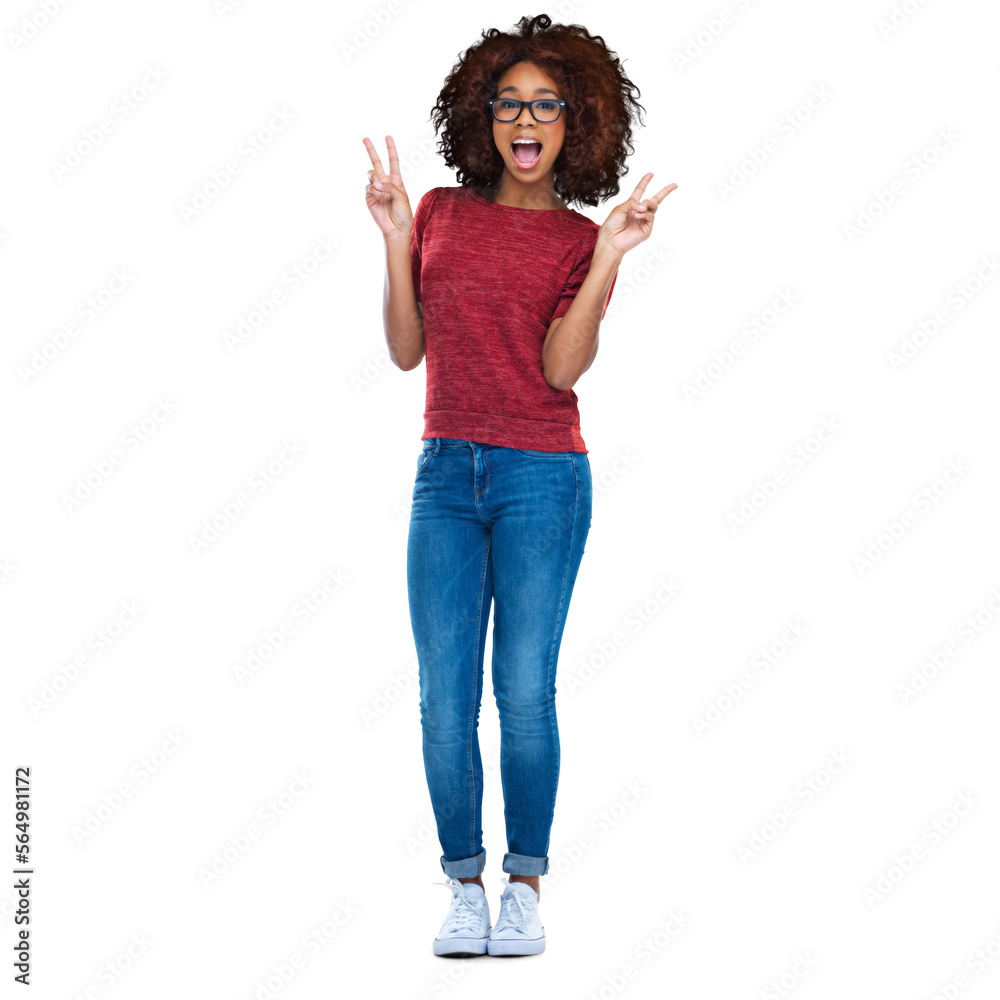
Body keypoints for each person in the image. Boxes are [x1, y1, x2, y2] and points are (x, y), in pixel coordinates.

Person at [363, 13, 676, 957]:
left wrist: (611, 258)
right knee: (442, 695)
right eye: (510, 104)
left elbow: (559, 373)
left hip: (542, 474)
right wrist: (389, 233)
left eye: (546, 104)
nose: (526, 120)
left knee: (524, 690)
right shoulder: (441, 215)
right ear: (484, 117)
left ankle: (526, 885)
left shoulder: (583, 239)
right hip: (444, 473)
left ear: (576, 120)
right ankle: (464, 883)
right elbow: (406, 351)